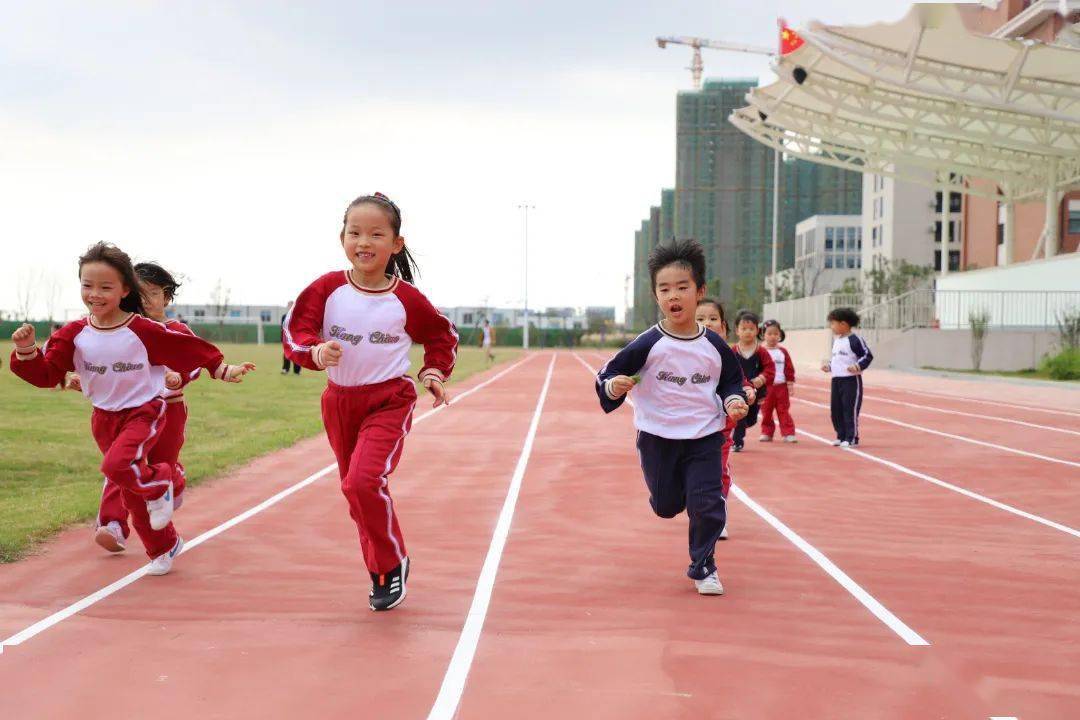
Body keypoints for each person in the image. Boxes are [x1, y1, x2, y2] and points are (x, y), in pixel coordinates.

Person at [10, 242, 255, 574]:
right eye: (87, 285)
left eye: (105, 287)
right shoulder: (75, 333)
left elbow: (186, 350)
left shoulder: (143, 330)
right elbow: (48, 373)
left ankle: (163, 481)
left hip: (145, 411)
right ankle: (163, 546)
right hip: (104, 416)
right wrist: (27, 351)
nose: (95, 294)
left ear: (125, 290)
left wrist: (221, 369)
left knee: (118, 466)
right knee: (129, 488)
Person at [283, 192, 458, 611]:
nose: (364, 241)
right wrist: (315, 351)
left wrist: (433, 372)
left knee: (363, 482)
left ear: (396, 244)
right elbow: (295, 332)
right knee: (354, 491)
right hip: (340, 402)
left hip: (389, 401)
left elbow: (441, 335)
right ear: (342, 237)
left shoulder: (407, 299)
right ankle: (384, 562)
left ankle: (387, 567)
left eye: (376, 234)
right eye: (355, 232)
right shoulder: (326, 289)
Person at [596, 239, 748, 596]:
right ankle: (672, 497)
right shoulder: (648, 342)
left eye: (682, 287)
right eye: (664, 289)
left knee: (707, 503)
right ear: (656, 296)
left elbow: (731, 382)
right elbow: (608, 373)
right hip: (658, 437)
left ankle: (704, 566)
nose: (673, 295)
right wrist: (614, 386)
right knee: (666, 506)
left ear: (700, 291)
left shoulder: (714, 345)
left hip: (704, 436)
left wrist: (733, 401)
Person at [82, 262, 201, 553]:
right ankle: (112, 524)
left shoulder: (176, 330)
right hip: (130, 410)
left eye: (152, 293)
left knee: (162, 461)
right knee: (120, 464)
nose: (145, 300)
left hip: (168, 409)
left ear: (167, 297)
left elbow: (196, 361)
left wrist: (179, 376)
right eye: (140, 294)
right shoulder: (126, 330)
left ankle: (174, 477)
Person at [694, 298, 752, 540]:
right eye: (700, 318)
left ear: (724, 326)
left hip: (720, 428)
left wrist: (747, 392)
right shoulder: (679, 353)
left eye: (713, 318)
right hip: (688, 428)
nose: (707, 323)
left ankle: (718, 517)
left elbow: (739, 382)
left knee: (719, 472)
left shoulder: (728, 356)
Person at [821, 307, 873, 447]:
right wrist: (829, 367)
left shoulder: (855, 340)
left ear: (843, 324)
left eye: (833, 323)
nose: (831, 327)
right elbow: (837, 359)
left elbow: (867, 355)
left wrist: (857, 366)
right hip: (836, 379)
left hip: (850, 380)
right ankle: (841, 435)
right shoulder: (837, 340)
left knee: (849, 409)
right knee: (836, 409)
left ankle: (852, 437)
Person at [729, 311, 776, 453]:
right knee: (740, 418)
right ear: (737, 330)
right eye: (744, 329)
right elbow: (727, 368)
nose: (747, 332)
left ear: (757, 330)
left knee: (751, 419)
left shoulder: (761, 351)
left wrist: (761, 378)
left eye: (751, 329)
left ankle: (742, 427)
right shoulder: (733, 351)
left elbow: (770, 368)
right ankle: (737, 441)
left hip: (757, 391)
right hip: (739, 390)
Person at [758, 319, 797, 443]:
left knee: (783, 410)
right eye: (769, 334)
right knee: (766, 411)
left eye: (776, 334)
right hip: (766, 387)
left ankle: (788, 433)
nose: (773, 337)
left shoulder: (783, 352)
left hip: (781, 387)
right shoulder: (760, 351)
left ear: (780, 335)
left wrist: (790, 385)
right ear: (763, 335)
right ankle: (767, 432)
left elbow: (789, 368)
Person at [281, 301, 301, 375]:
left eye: (292, 305)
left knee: (297, 353)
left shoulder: (298, 316)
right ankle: (285, 369)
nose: (290, 307)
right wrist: (282, 339)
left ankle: (297, 371)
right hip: (286, 339)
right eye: (289, 305)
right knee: (286, 353)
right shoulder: (284, 316)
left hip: (296, 339)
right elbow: (282, 329)